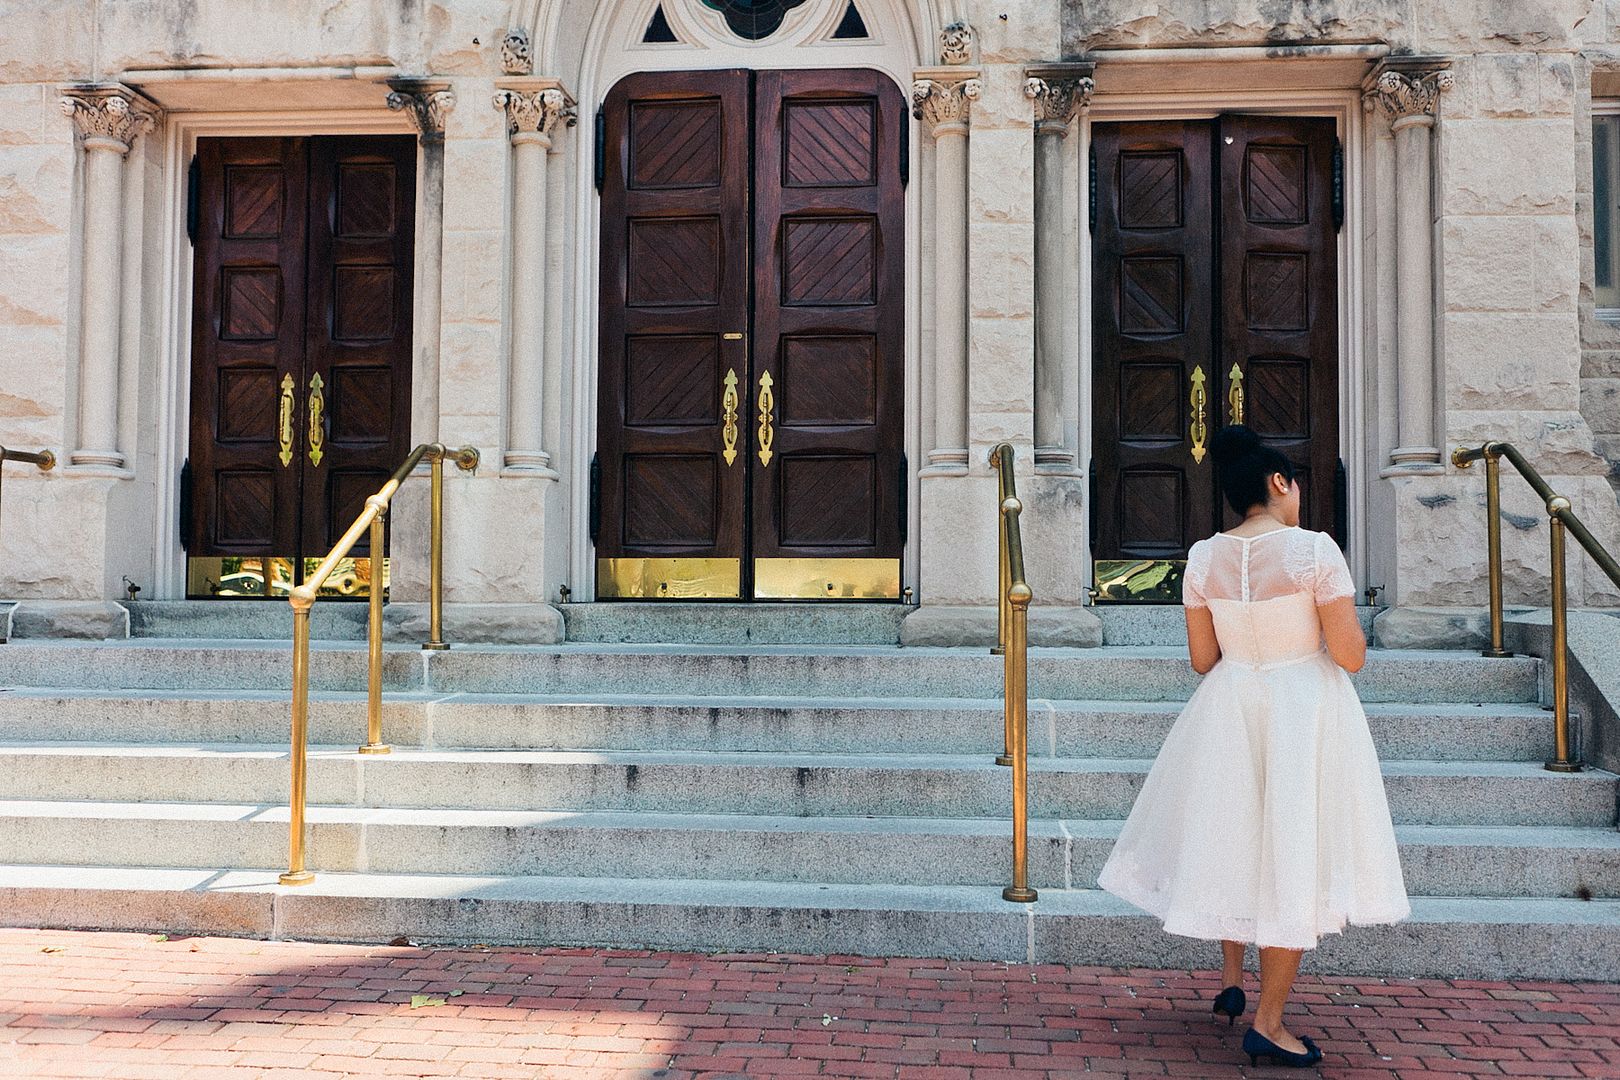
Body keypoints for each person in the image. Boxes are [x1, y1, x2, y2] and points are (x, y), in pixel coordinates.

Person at [1096, 424, 1410, 1068]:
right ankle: (1269, 1022)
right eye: (1295, 487)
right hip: (1303, 706)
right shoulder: (1314, 551)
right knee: (1291, 848)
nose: (1300, 498)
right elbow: (1349, 655)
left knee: (1235, 836)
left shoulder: (1203, 557)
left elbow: (1202, 657)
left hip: (1230, 702)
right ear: (1278, 483)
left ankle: (1233, 984)